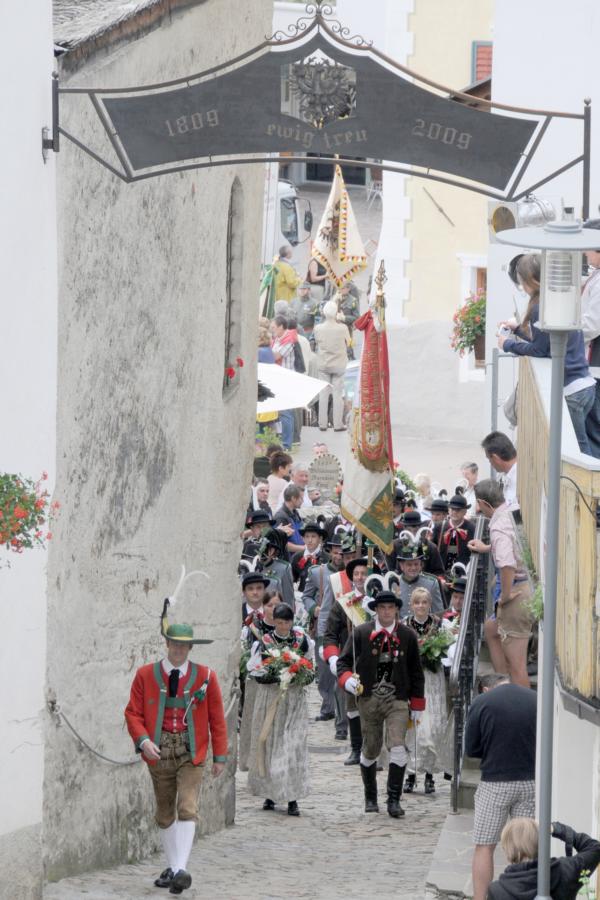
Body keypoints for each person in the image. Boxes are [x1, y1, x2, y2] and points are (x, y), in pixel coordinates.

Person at [124, 603, 227, 895]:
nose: (179, 649)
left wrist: (220, 756)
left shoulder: (206, 676)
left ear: (191, 648)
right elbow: (132, 713)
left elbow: (217, 718)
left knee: (187, 807)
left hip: (191, 751)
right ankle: (174, 867)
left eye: (184, 645)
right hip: (158, 751)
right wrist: (143, 741)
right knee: (165, 811)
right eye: (174, 644)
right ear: (167, 644)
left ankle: (180, 870)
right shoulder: (145, 675)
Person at [498, 253, 597, 456]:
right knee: (582, 445)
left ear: (529, 280)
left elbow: (540, 350)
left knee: (579, 451)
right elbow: (545, 342)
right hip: (584, 384)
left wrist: (507, 344)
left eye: (521, 281)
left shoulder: (539, 307)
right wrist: (517, 330)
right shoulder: (559, 300)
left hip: (572, 390)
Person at [337, 591, 425, 818]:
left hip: (398, 698)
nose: (386, 612)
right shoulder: (361, 633)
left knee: (398, 746)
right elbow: (343, 662)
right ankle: (370, 796)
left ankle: (394, 800)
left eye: (390, 607)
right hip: (369, 698)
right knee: (371, 749)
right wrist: (347, 680)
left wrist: (417, 704)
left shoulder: (407, 635)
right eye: (382, 608)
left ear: (396, 610)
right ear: (375, 610)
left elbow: (416, 671)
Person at [465, 672, 537, 900]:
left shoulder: (482, 702)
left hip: (495, 782)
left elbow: (471, 749)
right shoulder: (534, 698)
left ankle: (481, 898)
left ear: (486, 689)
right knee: (525, 847)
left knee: (485, 846)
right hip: (530, 782)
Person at [247, 603, 314, 816]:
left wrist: (299, 675)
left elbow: (311, 670)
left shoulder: (302, 641)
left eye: (287, 622)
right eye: (279, 622)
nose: (283, 626)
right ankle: (271, 793)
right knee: (270, 743)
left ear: (292, 622)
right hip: (271, 699)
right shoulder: (265, 642)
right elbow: (257, 674)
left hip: (294, 701)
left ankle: (292, 797)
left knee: (292, 745)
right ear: (274, 621)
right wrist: (278, 675)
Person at [469, 479, 533, 688]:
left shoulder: (498, 527)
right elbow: (513, 546)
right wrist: (488, 547)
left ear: (483, 503)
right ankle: (502, 686)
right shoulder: (512, 512)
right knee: (491, 629)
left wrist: (505, 596)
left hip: (518, 591)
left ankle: (518, 702)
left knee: (517, 665)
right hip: (526, 586)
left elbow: (507, 565)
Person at [302, 534, 355, 735]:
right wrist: (313, 610)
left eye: (345, 554)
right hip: (329, 629)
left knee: (342, 676)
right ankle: (328, 707)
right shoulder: (320, 572)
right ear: (331, 552)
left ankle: (343, 718)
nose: (340, 557)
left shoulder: (360, 574)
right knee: (325, 674)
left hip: (350, 633)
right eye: (337, 553)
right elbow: (310, 598)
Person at [322, 556, 373, 765]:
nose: (360, 578)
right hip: (351, 662)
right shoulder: (343, 604)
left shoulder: (380, 603)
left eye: (364, 574)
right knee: (352, 706)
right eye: (356, 574)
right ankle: (356, 748)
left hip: (376, 662)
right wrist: (334, 658)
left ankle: (373, 750)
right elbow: (330, 634)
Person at [402, 587, 451, 795]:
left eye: (424, 602)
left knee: (434, 728)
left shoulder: (439, 625)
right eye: (417, 602)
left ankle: (430, 775)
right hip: (414, 679)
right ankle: (411, 774)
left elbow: (447, 647)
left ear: (430, 604)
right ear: (411, 605)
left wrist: (435, 652)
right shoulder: (404, 624)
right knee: (415, 728)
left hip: (433, 678)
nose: (421, 606)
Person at [487, 817, 600, 900]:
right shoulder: (565, 870)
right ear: (540, 842)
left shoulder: (497, 890)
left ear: (507, 849)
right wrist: (555, 828)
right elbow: (594, 848)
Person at [238, 589, 278, 772]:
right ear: (264, 606)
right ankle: (252, 760)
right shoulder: (253, 627)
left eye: (277, 605)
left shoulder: (289, 628)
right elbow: (244, 653)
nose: (274, 609)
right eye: (270, 605)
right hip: (257, 683)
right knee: (254, 722)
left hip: (279, 684)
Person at [313, 299, 351, 432]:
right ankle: (337, 424)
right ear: (336, 313)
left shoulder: (318, 328)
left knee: (323, 393)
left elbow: (317, 342)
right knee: (337, 394)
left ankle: (322, 424)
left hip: (324, 363)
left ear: (324, 313)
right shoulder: (343, 328)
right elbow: (349, 342)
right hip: (339, 364)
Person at [580, 219, 600, 456]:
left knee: (594, 431)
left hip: (596, 367)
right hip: (593, 365)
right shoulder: (596, 276)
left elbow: (592, 325)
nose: (584, 251)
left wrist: (565, 332)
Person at [392, 534, 444, 614]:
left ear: (421, 565)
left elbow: (438, 613)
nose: (413, 568)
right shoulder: (393, 583)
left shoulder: (432, 584)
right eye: (409, 565)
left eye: (416, 564)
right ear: (402, 566)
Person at [386, 509, 445, 578]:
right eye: (409, 530)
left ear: (420, 528)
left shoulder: (430, 547)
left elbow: (439, 572)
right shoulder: (394, 546)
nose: (412, 533)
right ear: (404, 528)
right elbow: (388, 570)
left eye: (415, 530)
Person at [257, 528, 296, 610]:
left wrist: (288, 614)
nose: (262, 550)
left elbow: (288, 598)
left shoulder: (283, 568)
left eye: (269, 548)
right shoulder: (250, 564)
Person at [481, 431, 519, 511]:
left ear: (495, 458)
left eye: (489, 459)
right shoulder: (510, 475)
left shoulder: (518, 478)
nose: (490, 463)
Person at [439, 494, 475, 576]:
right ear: (448, 510)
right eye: (452, 509)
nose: (454, 512)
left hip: (463, 573)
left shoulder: (472, 528)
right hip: (442, 572)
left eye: (458, 510)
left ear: (465, 511)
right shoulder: (440, 527)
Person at [291, 521, 329, 590]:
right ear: (303, 539)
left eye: (313, 536)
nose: (310, 540)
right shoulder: (297, 557)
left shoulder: (327, 558)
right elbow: (292, 579)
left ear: (320, 539)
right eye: (307, 536)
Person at [273, 484, 304, 553]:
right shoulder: (280, 517)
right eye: (301, 498)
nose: (303, 501)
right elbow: (281, 542)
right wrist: (303, 548)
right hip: (290, 557)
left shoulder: (295, 513)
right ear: (293, 498)